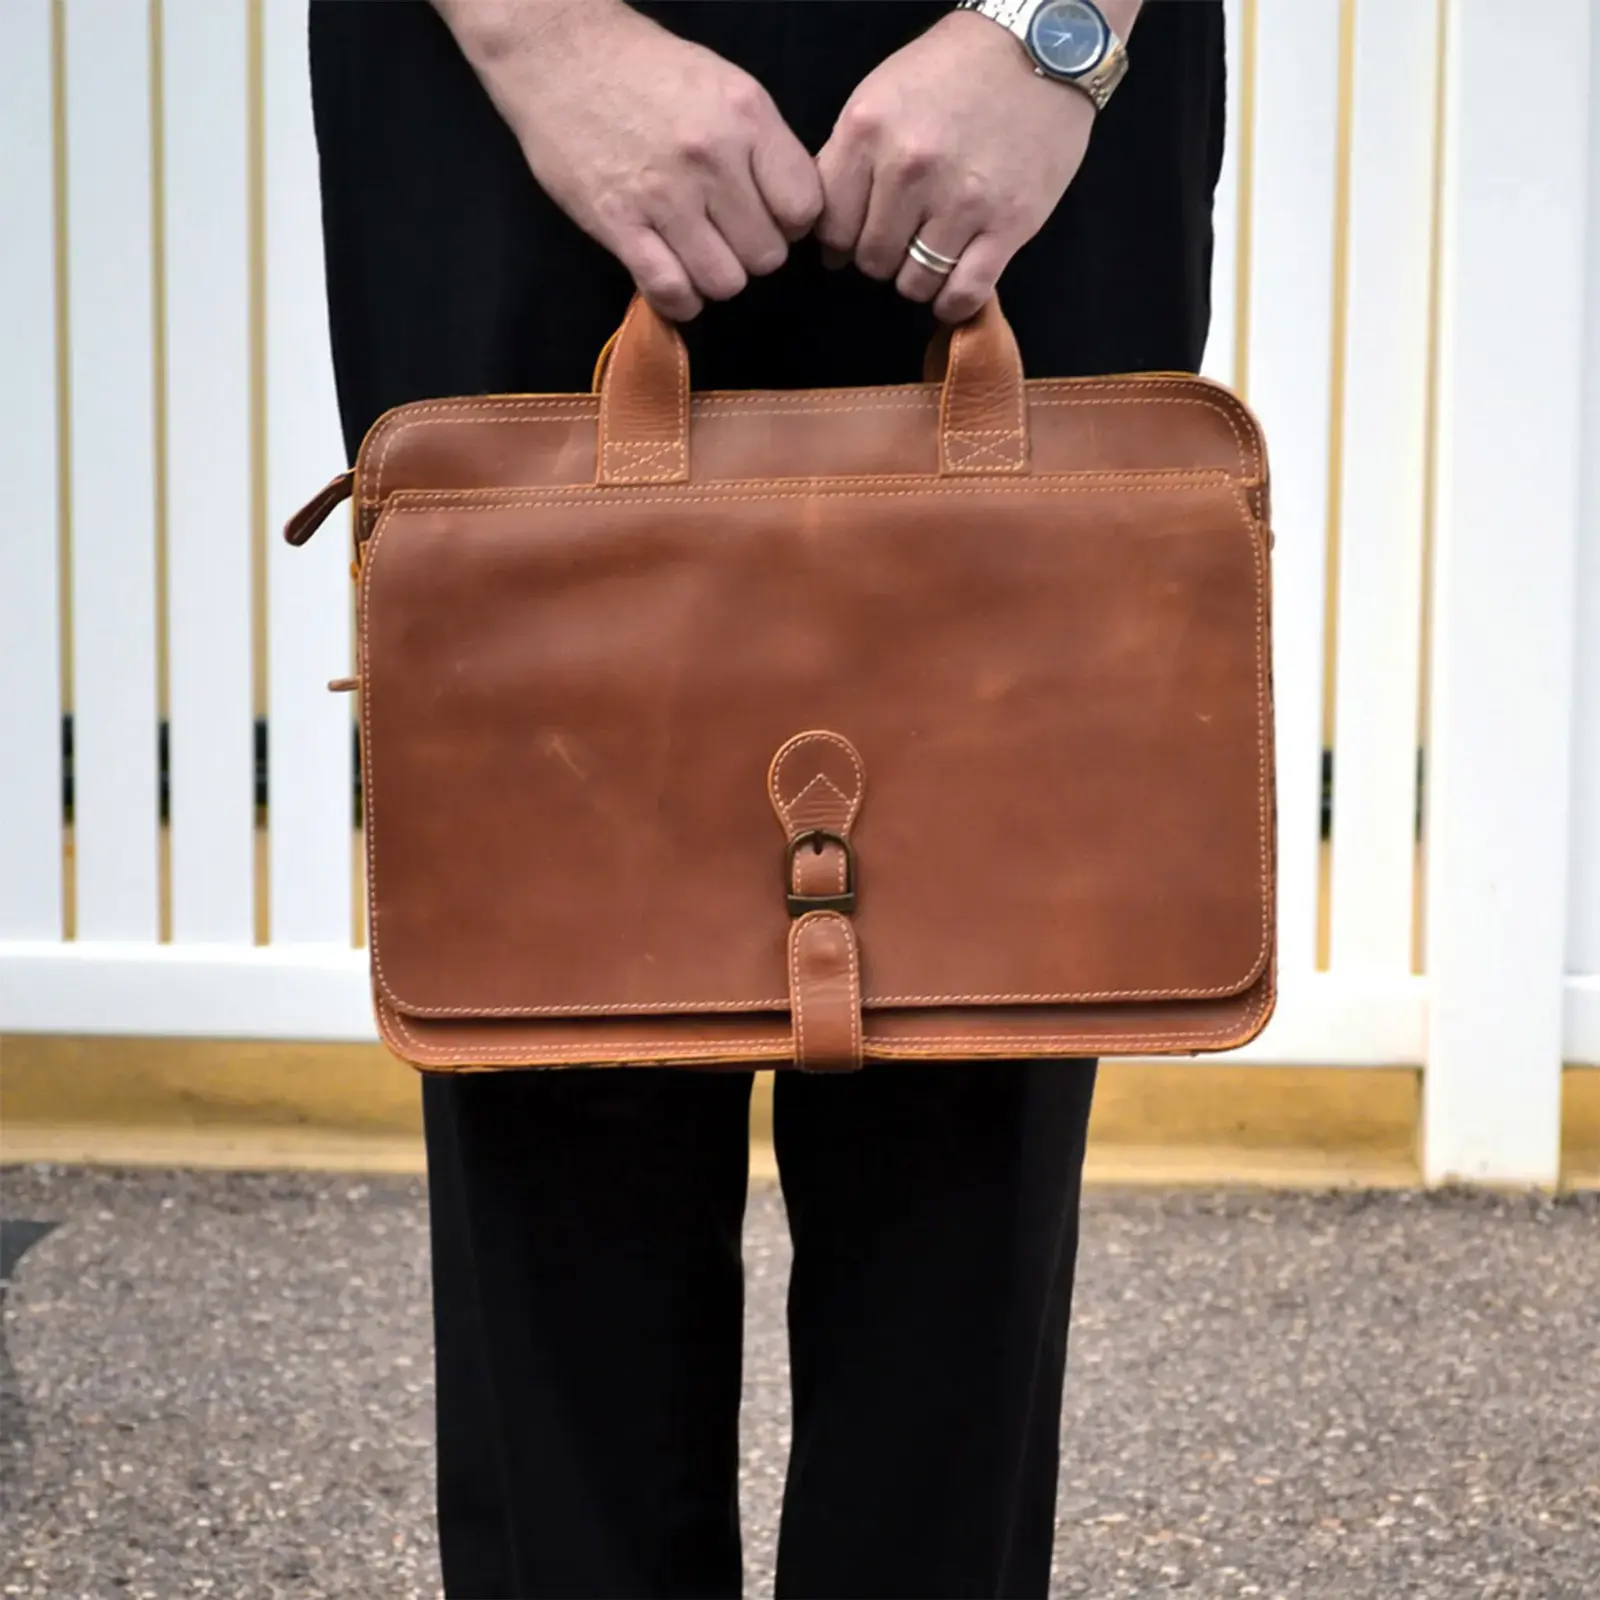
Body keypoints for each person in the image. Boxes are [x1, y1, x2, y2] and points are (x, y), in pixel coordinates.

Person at [308, 3, 1224, 1594]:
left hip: (1031, 89)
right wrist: (540, 36)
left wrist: (1049, 32)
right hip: (495, 86)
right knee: (549, 1045)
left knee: (986, 1037)